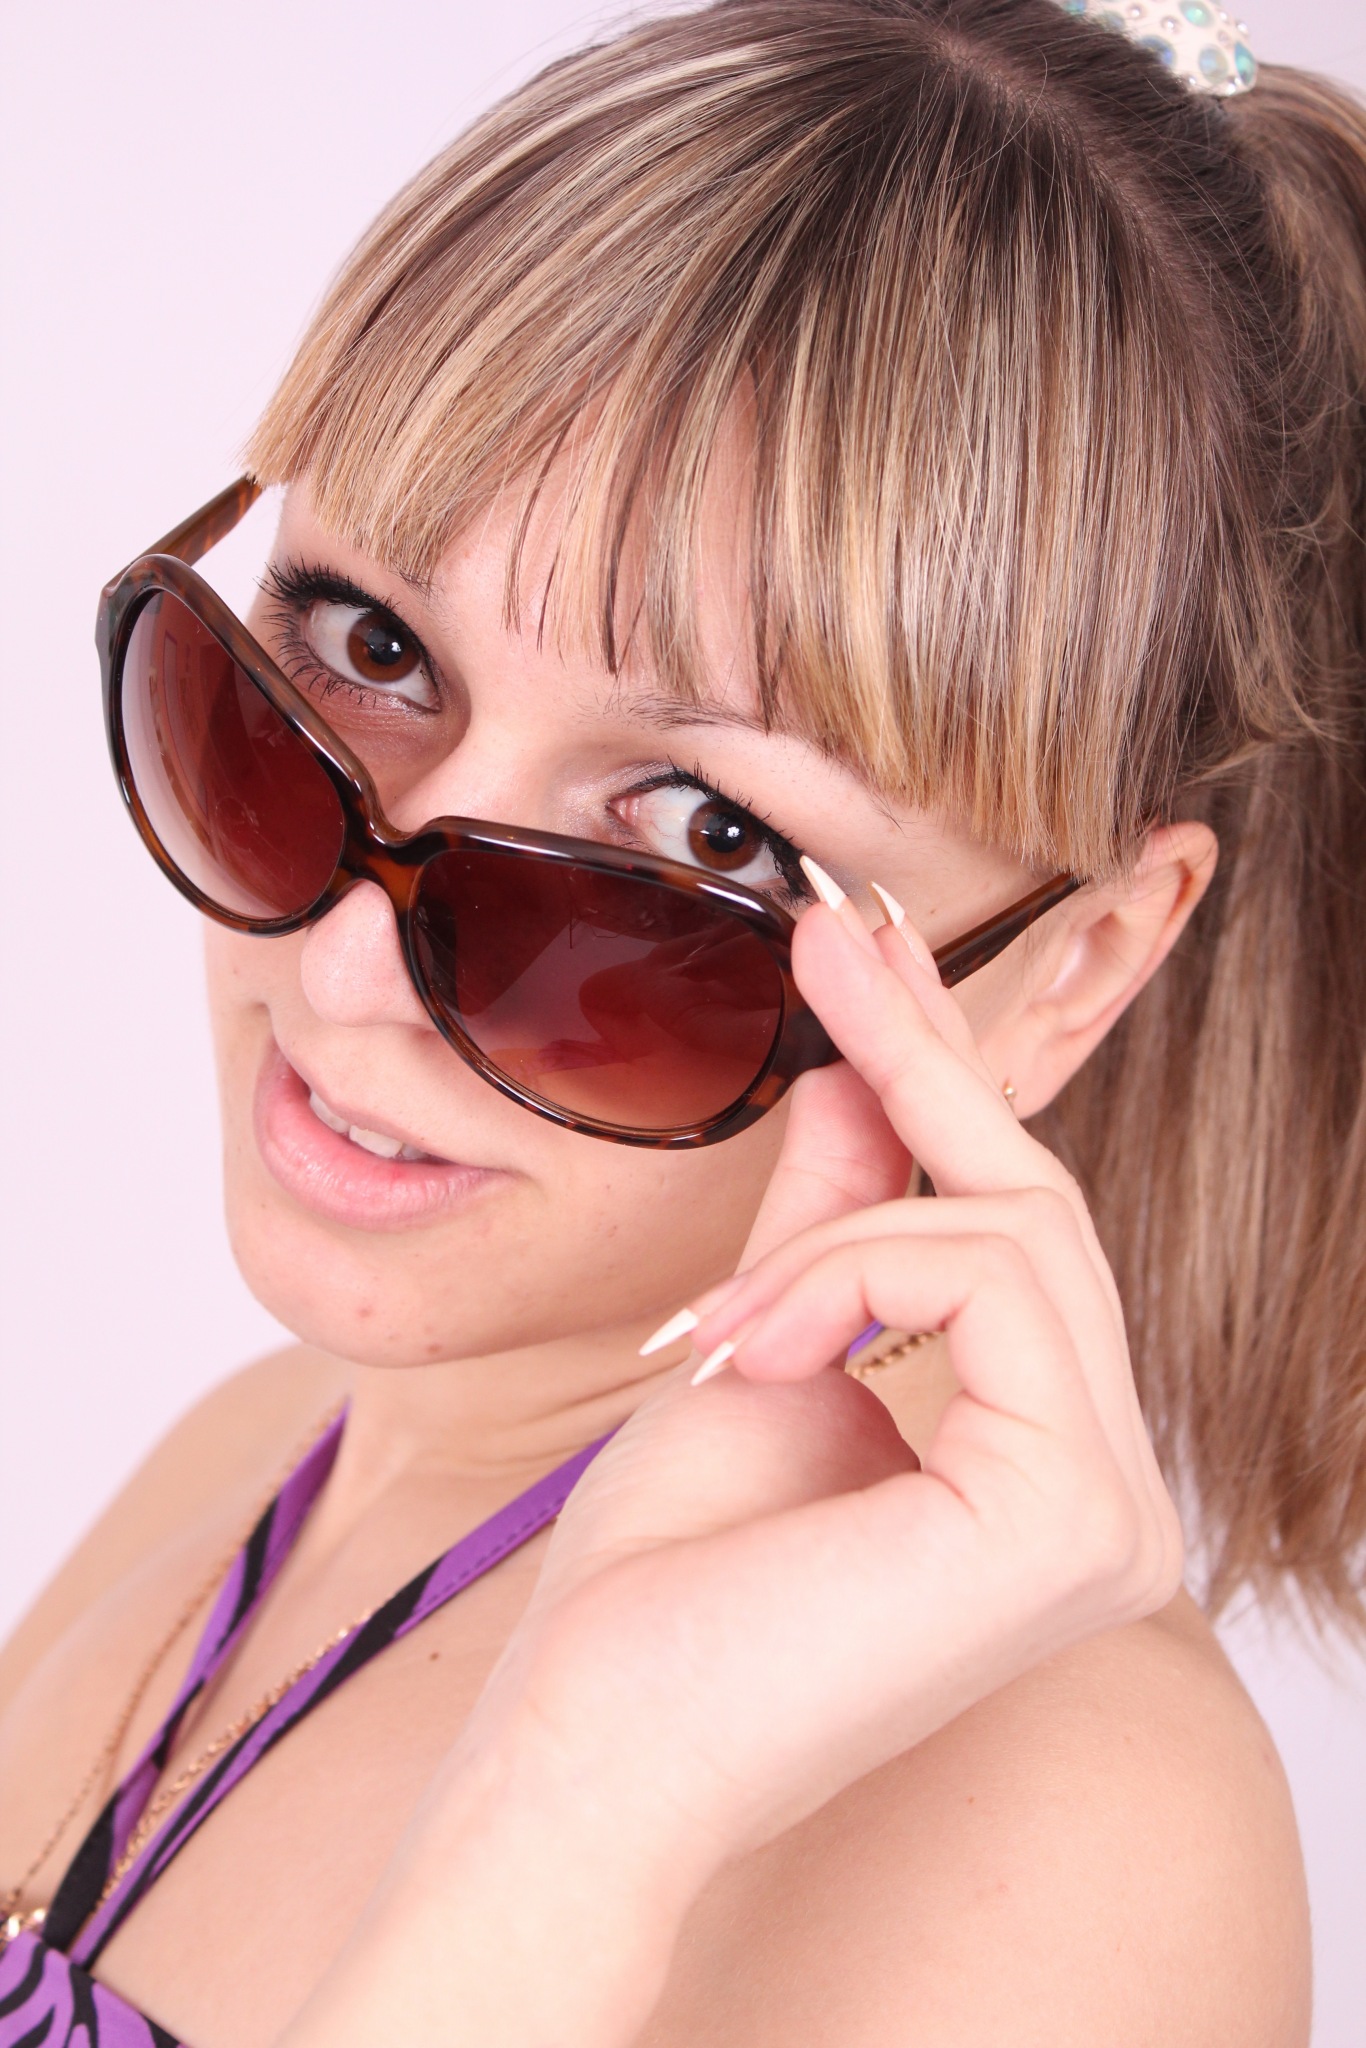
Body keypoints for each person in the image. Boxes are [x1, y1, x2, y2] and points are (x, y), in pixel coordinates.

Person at [2, 0, 1364, 2040]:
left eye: (708, 834)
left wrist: (589, 1801)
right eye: (368, 643)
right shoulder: (269, 1451)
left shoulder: (1070, 1847)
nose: (350, 968)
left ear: (1071, 965)